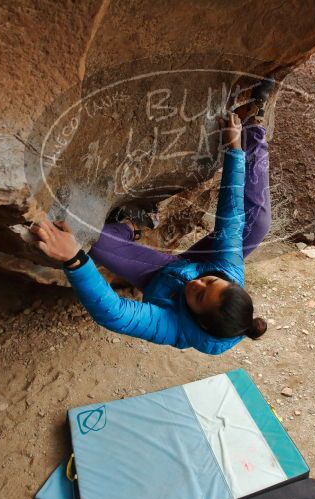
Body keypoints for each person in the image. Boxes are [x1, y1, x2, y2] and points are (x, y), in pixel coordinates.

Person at [32, 80, 274, 355]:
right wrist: (235, 150)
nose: (197, 284)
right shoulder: (227, 270)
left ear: (200, 321)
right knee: (257, 223)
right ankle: (255, 123)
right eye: (210, 282)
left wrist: (74, 259)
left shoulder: (175, 326)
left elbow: (116, 314)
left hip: (159, 278)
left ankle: (130, 227)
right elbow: (231, 218)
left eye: (198, 295)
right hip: (204, 261)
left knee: (89, 240)